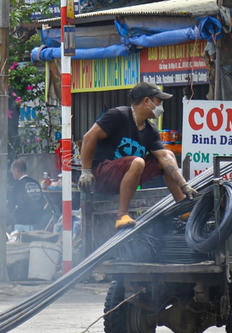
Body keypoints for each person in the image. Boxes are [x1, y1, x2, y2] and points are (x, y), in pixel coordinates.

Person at [78, 81, 197, 229]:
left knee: (168, 155)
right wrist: (86, 171)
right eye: (158, 102)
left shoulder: (150, 129)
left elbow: (165, 158)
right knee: (138, 162)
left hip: (128, 178)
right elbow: (89, 137)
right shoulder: (118, 115)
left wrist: (183, 185)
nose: (161, 107)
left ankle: (182, 206)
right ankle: (122, 216)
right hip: (103, 175)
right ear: (147, 101)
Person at [9, 158, 51, 231]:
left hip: (22, 224)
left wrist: (9, 220)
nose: (12, 174)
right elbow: (41, 202)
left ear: (16, 170)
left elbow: (11, 204)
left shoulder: (17, 185)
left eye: (12, 171)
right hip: (37, 222)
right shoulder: (36, 182)